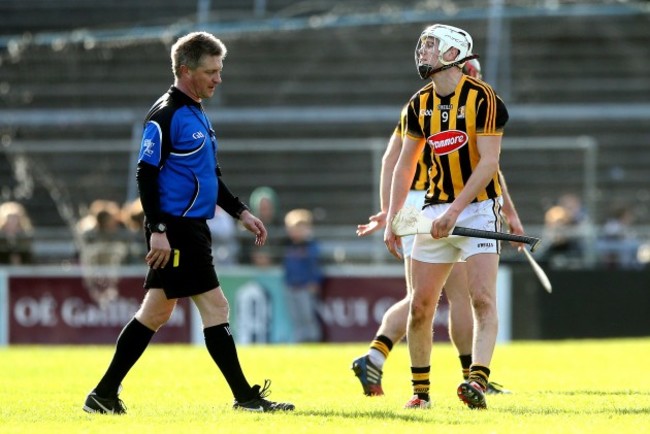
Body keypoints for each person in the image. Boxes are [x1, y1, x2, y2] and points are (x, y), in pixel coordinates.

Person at [82, 31, 294, 415]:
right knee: (216, 308)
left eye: (219, 70)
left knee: (156, 312)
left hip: (192, 227)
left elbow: (209, 175)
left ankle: (103, 394)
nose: (218, 78)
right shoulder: (166, 114)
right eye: (211, 71)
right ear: (185, 70)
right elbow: (145, 176)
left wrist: (241, 212)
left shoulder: (196, 110)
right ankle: (245, 397)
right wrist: (158, 231)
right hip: (176, 228)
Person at [352, 58, 522, 398]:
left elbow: (393, 159)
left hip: (431, 203)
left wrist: (390, 211)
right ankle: (471, 377)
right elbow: (397, 161)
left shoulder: (458, 102)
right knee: (446, 298)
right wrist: (391, 212)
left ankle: (379, 356)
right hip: (429, 203)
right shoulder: (429, 105)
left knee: (426, 298)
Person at [283, 208, 323, 342]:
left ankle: (313, 340)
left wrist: (314, 282)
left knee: (308, 317)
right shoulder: (289, 247)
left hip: (306, 287)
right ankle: (300, 341)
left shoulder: (311, 246)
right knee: (296, 317)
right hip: (292, 287)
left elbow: (315, 266)